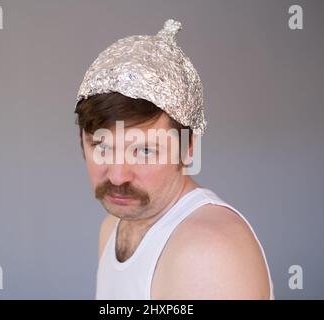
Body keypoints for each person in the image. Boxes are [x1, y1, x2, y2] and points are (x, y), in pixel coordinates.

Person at [74, 19, 274, 299]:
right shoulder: (112, 227)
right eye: (102, 147)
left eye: (144, 151)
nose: (118, 176)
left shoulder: (207, 250)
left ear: (188, 148)